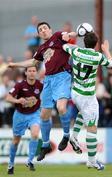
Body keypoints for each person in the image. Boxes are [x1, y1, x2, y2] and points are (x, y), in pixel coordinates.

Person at [8, 22, 77, 161]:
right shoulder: (41, 48)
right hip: (48, 80)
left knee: (61, 107)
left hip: (62, 76)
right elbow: (32, 63)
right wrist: (15, 64)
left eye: (45, 28)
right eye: (40, 30)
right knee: (44, 115)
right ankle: (46, 145)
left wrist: (71, 34)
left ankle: (66, 135)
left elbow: (70, 35)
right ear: (39, 34)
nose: (43, 30)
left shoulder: (58, 36)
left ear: (50, 30)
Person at [63, 32, 112, 170]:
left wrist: (75, 35)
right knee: (92, 129)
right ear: (96, 44)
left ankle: (73, 136)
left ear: (84, 42)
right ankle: (92, 160)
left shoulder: (76, 51)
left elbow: (64, 46)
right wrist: (107, 50)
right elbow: (110, 64)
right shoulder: (97, 56)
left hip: (75, 92)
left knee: (82, 113)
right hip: (88, 97)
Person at [6, 66, 43, 174]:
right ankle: (11, 164)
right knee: (16, 141)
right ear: (26, 73)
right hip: (20, 115)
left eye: (34, 71)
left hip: (34, 114)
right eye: (30, 71)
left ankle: (30, 160)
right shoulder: (19, 85)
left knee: (35, 134)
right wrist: (18, 101)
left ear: (36, 72)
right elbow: (8, 98)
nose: (32, 73)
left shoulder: (40, 85)